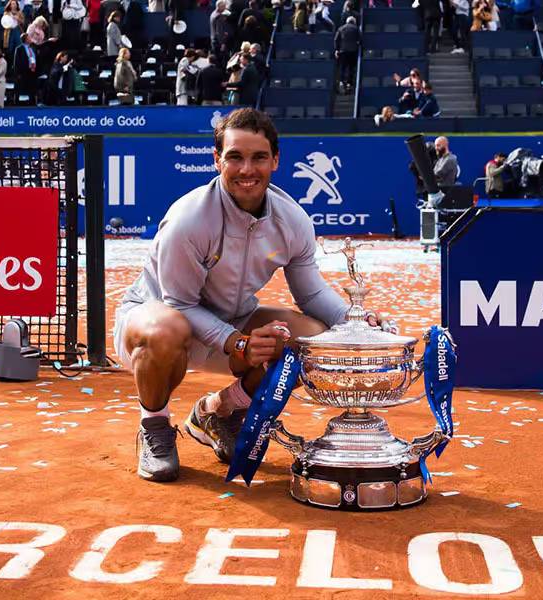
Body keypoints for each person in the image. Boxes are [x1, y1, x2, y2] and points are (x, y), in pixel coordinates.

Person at [113, 108, 389, 482]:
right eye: (235, 157)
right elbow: (178, 303)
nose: (247, 169)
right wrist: (236, 342)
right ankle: (155, 427)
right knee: (166, 328)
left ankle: (217, 412)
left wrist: (356, 322)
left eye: (259, 157)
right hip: (156, 321)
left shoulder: (292, 220)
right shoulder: (189, 220)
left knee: (306, 336)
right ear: (217, 160)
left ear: (276, 160)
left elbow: (310, 293)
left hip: (232, 325)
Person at [334, 15, 359, 93]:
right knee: (351, 68)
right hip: (353, 51)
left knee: (342, 68)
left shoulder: (341, 28)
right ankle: (349, 83)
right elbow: (360, 40)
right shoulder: (356, 29)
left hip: (343, 51)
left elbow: (336, 40)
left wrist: (336, 50)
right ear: (354, 22)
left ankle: (341, 82)